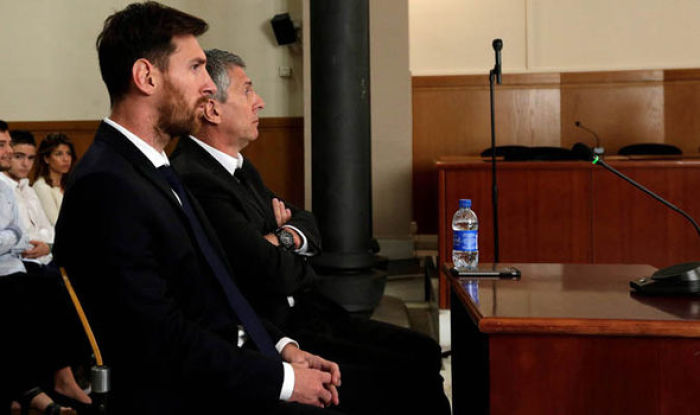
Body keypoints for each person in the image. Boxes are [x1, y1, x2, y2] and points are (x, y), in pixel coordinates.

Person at [52, 3, 345, 414]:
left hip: (221, 367)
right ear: (146, 76)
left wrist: (281, 348)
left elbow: (216, 287)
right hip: (178, 395)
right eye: (195, 68)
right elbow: (157, 337)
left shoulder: (152, 166)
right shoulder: (107, 184)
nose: (209, 85)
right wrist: (283, 381)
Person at [170, 49, 450, 413]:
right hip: (279, 330)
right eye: (248, 91)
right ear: (212, 109)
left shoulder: (239, 165)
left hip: (309, 309)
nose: (260, 102)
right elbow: (263, 270)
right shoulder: (195, 175)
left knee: (425, 351)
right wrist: (283, 243)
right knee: (411, 379)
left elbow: (309, 225)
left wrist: (282, 236)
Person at [0, 121, 87, 415]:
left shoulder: (19, 188)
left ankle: (74, 371)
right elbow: (17, 236)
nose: (12, 155)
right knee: (46, 290)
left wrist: (24, 239)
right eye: (7, 148)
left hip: (29, 261)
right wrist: (18, 237)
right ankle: (51, 381)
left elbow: (48, 231)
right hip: (17, 265)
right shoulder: (22, 186)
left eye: (22, 154)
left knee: (70, 283)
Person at [1, 130, 55, 267]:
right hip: (20, 264)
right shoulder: (3, 189)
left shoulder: (29, 189)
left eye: (31, 158)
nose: (26, 164)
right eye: (19, 156)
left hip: (46, 260)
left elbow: (49, 230)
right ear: (8, 155)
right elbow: (20, 241)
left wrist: (48, 247)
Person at [33, 133, 75, 225]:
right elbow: (56, 222)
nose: (66, 159)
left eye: (68, 154)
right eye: (59, 154)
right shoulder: (41, 187)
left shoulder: (70, 184)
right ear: (46, 158)